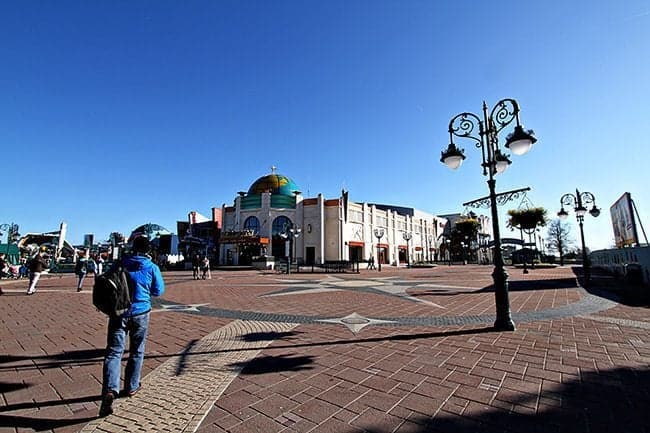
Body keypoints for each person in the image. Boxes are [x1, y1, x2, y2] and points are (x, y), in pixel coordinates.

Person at [99, 236, 165, 417]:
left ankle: (110, 390)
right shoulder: (151, 267)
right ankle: (131, 386)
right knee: (137, 350)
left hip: (119, 312)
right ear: (148, 250)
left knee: (113, 352)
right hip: (141, 312)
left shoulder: (121, 263)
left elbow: (108, 282)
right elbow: (158, 291)